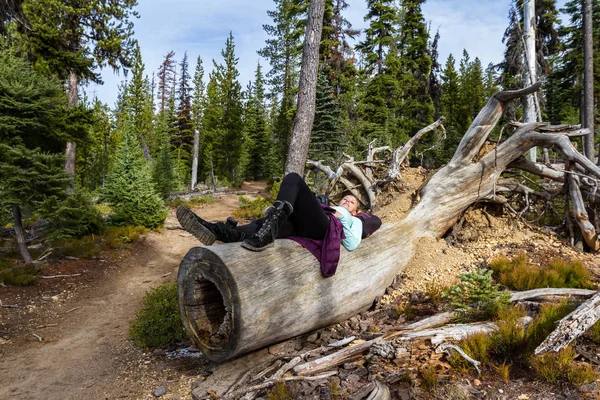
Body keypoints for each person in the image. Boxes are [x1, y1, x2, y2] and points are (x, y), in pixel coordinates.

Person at [176, 173, 364, 275]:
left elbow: (353, 243)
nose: (347, 201)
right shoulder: (329, 205)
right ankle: (219, 231)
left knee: (294, 179)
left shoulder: (354, 219)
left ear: (356, 211)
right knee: (263, 224)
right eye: (345, 199)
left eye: (351, 202)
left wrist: (342, 217)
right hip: (300, 225)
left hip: (325, 228)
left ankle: (268, 230)